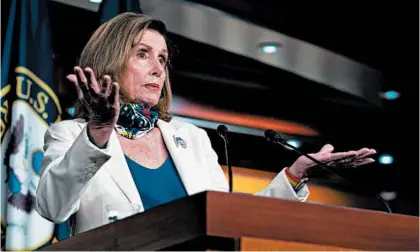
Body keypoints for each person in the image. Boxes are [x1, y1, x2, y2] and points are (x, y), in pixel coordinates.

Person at [35, 12, 376, 235]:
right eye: (142, 54)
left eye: (163, 59)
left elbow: (229, 219)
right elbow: (52, 207)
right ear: (110, 60)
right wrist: (97, 132)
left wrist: (294, 174)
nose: (158, 68)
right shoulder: (71, 135)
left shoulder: (192, 139)